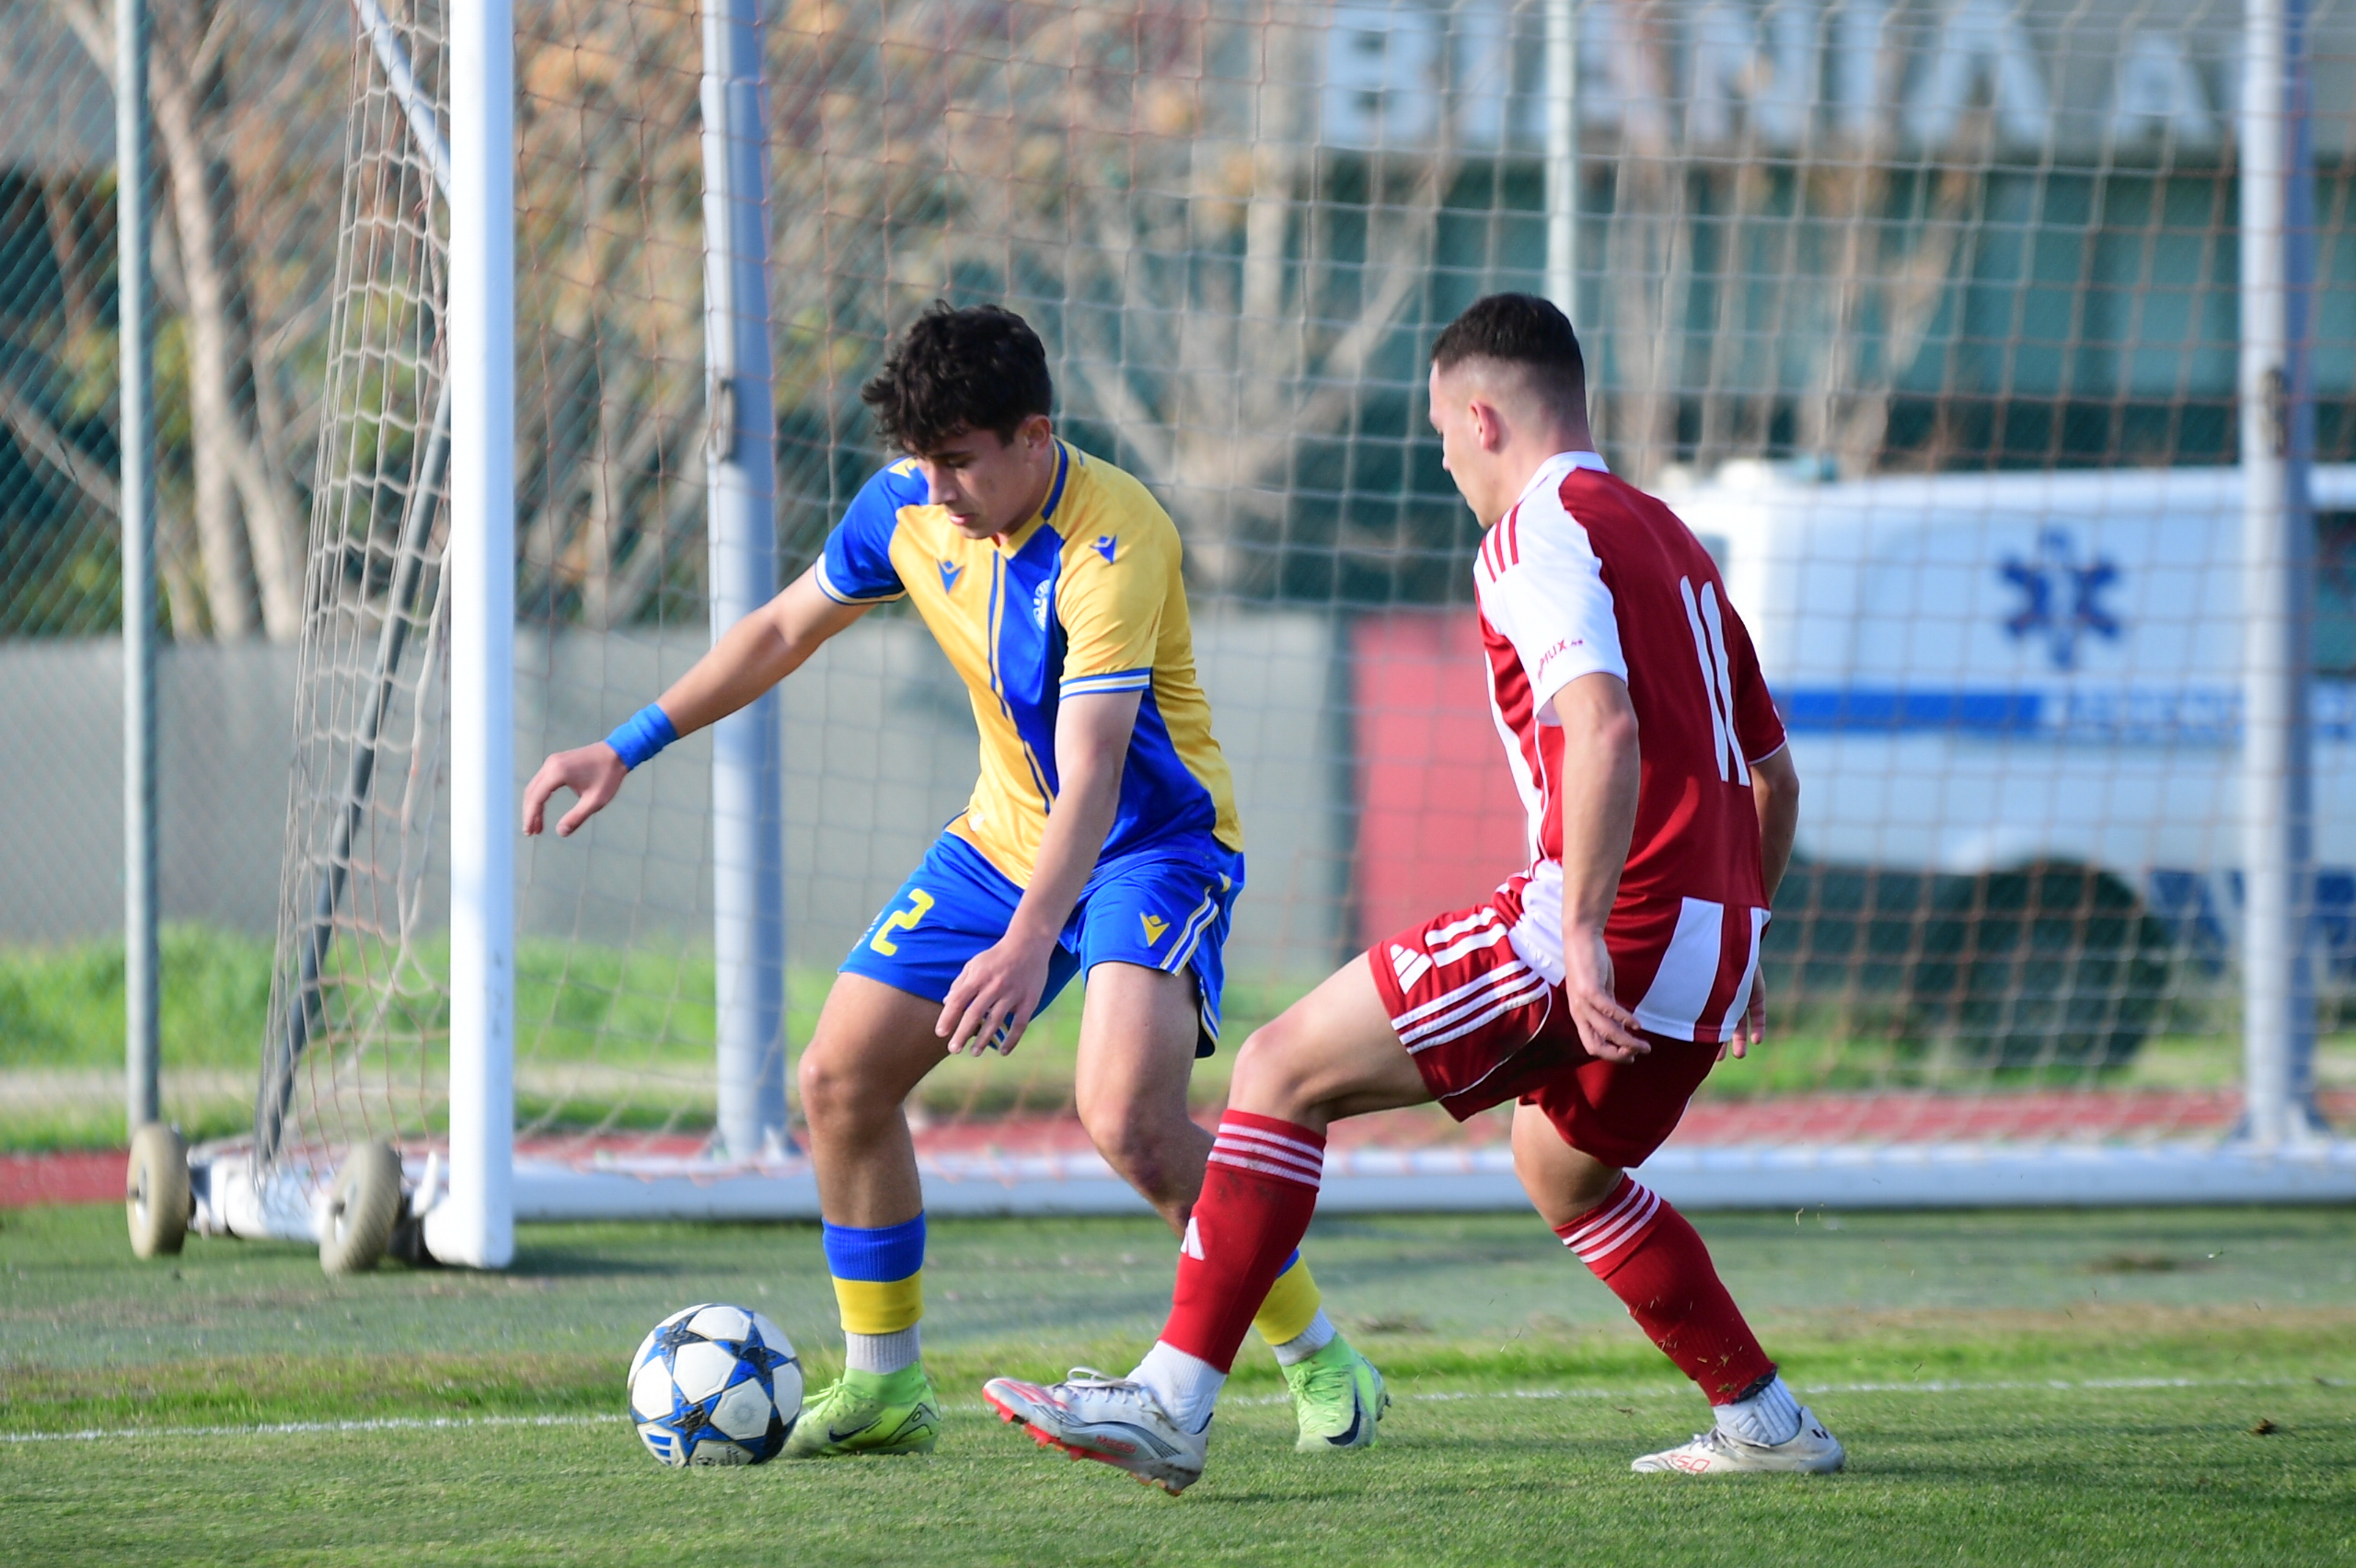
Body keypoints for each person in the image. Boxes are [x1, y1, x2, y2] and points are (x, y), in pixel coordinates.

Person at [980, 293, 1843, 1493]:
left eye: (1441, 433)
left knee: (1279, 1069)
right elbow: (1772, 775)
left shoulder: (1537, 533)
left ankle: (1171, 1403)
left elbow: (1601, 727)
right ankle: (1766, 1418)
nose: (1442, 460)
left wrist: (1581, 931)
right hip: (1710, 939)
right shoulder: (1674, 539)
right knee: (1562, 1166)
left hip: (1607, 923)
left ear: (1481, 418)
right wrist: (1741, 940)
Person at [523, 303, 1384, 1460]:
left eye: (960, 461)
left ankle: (1320, 1357)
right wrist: (625, 745)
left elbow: (1094, 775)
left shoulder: (1114, 541)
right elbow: (781, 631)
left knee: (1129, 1123)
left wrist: (1028, 942)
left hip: (1152, 848)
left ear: (1036, 436)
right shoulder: (909, 506)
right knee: (839, 1080)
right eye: (921, 461)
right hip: (1002, 838)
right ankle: (885, 1387)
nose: (937, 490)